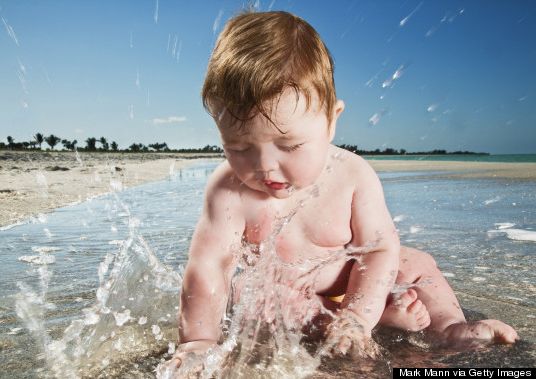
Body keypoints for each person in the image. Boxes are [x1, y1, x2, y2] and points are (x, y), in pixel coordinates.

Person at [167, 10, 518, 370]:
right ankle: (369, 319)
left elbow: (380, 248)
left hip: (356, 283)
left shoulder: (351, 175)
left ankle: (447, 328)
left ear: (331, 121)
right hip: (294, 298)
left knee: (416, 263)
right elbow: (209, 265)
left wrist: (358, 316)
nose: (265, 165)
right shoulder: (228, 190)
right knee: (254, 298)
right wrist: (197, 342)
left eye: (289, 146)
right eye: (239, 147)